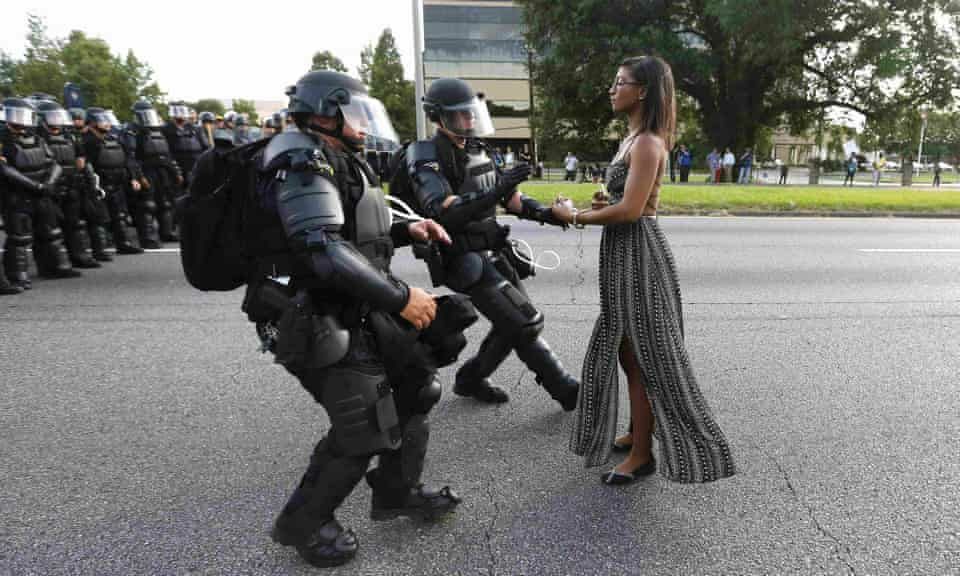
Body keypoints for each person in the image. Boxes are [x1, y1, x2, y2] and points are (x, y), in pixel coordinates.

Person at [243, 70, 465, 568]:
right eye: (356, 113)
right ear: (326, 113)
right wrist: (401, 296)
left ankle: (395, 491)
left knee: (416, 388)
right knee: (363, 427)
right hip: (311, 313)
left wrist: (410, 230)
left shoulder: (332, 157)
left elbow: (354, 230)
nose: (365, 124)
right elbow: (322, 248)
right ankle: (302, 523)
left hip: (352, 305)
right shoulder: (299, 159)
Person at [552, 56, 736, 485]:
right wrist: (601, 204)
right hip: (623, 254)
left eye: (621, 83)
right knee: (625, 349)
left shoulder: (649, 142)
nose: (612, 89)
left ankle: (642, 455)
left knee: (643, 356)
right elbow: (623, 203)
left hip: (639, 256)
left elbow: (633, 211)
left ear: (644, 91)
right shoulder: (631, 139)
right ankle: (638, 431)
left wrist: (574, 216)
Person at [403, 77, 579, 409]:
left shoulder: (478, 148)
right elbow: (442, 210)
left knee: (514, 322)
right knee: (524, 322)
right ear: (438, 117)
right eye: (461, 115)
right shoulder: (425, 154)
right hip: (462, 257)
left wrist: (548, 215)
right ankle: (565, 388)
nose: (469, 121)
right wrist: (497, 191)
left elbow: (511, 199)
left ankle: (470, 379)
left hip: (493, 251)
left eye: (472, 114)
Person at [1, 97, 83, 288]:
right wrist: (35, 186)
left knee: (51, 231)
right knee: (19, 237)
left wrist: (49, 183)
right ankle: (17, 275)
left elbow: (53, 163)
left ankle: (56, 267)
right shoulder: (3, 138)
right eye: (16, 115)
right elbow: (5, 169)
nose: (21, 121)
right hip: (17, 195)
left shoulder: (37, 137)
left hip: (42, 192)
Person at [35, 99, 100, 269]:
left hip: (71, 184)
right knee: (49, 228)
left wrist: (83, 174)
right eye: (52, 117)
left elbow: (81, 158)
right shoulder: (37, 137)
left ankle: (78, 256)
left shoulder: (69, 136)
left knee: (74, 223)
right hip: (49, 187)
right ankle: (51, 264)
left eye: (58, 116)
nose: (56, 120)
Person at [83, 107, 144, 255]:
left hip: (117, 183)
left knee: (119, 216)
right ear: (92, 122)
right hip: (99, 184)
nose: (107, 124)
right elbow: (86, 165)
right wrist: (93, 185)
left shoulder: (114, 138)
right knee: (99, 218)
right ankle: (99, 250)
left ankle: (123, 244)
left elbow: (126, 159)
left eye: (107, 120)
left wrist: (133, 178)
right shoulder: (88, 141)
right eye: (102, 121)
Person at [127, 101, 182, 245]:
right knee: (147, 205)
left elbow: (167, 155)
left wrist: (176, 172)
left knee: (165, 203)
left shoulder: (158, 131)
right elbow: (132, 158)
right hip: (147, 171)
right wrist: (139, 176)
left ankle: (167, 232)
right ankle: (148, 238)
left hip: (162, 171)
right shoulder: (134, 132)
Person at [163, 102, 205, 189]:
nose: (181, 117)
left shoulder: (195, 129)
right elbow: (166, 152)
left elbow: (205, 147)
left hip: (195, 167)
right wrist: (175, 171)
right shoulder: (166, 129)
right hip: (177, 167)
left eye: (182, 113)